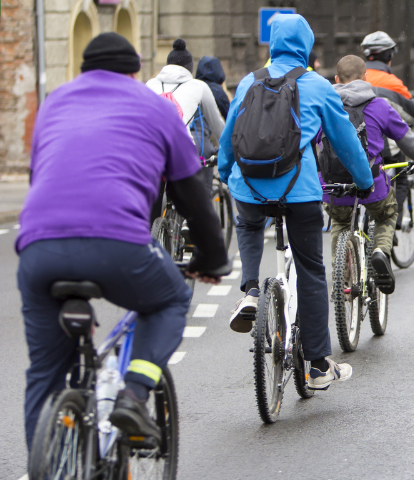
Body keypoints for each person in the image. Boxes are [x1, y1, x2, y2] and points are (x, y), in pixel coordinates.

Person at [17, 32, 229, 449]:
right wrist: (212, 257)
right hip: (117, 243)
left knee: (43, 374)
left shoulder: (55, 103)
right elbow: (193, 196)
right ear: (135, 72)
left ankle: (47, 464)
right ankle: (133, 393)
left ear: (83, 70)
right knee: (170, 299)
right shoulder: (156, 106)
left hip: (39, 250)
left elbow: (40, 174)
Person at [219, 14, 373, 389]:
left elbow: (228, 137)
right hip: (298, 190)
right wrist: (364, 181)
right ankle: (319, 365)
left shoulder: (247, 82)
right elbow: (344, 140)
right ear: (305, 46)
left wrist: (228, 175)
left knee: (248, 222)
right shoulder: (316, 85)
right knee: (311, 270)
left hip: (249, 186)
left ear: (272, 44)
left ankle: (252, 290)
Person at [323, 55, 414, 294]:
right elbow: (405, 138)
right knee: (387, 213)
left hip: (333, 187)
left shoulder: (325, 107)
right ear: (365, 78)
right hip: (372, 185)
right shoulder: (380, 106)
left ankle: (341, 274)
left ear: (336, 79)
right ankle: (380, 252)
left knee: (340, 221)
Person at [361, 31, 414, 233]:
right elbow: (413, 110)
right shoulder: (392, 82)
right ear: (388, 56)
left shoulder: (358, 78)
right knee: (401, 177)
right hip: (385, 146)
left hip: (358, 144)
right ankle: (393, 225)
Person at [147, 39, 227, 213]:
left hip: (150, 148)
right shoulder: (199, 86)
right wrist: (226, 149)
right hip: (180, 149)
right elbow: (218, 125)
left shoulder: (150, 84)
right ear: (189, 68)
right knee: (194, 202)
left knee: (153, 201)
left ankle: (153, 229)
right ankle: (189, 225)